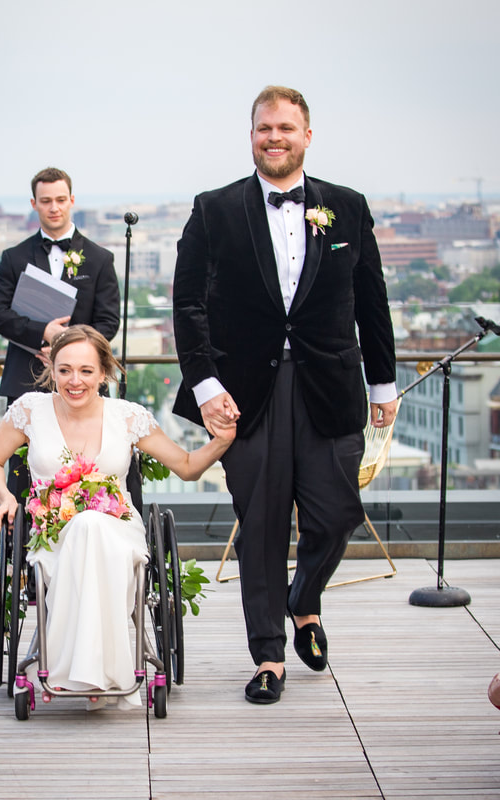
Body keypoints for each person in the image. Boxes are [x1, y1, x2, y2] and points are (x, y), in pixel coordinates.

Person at [172, 86, 397, 705]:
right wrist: (207, 383)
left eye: (286, 128)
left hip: (331, 386)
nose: (275, 137)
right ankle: (269, 655)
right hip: (246, 393)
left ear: (307, 135)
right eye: (264, 128)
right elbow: (187, 305)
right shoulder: (214, 209)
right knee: (262, 526)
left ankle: (304, 599)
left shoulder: (347, 208)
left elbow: (371, 303)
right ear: (251, 136)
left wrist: (384, 382)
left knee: (336, 515)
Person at [0, 325, 235, 709]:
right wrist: (5, 498)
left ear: (104, 372)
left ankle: (78, 672)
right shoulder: (29, 410)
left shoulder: (127, 416)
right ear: (51, 369)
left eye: (86, 370)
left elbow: (185, 466)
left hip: (118, 532)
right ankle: (96, 674)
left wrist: (222, 441)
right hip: (53, 536)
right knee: (83, 527)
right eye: (65, 370)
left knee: (92, 525)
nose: (74, 380)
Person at [0, 166, 121, 499]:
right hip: (25, 379)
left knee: (86, 468)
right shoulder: (14, 258)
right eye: (46, 201)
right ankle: (22, 545)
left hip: (81, 381)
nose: (54, 207)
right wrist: (43, 332)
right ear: (34, 203)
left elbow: (109, 321)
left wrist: (69, 350)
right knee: (21, 473)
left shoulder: (100, 259)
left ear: (72, 200)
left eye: (61, 199)